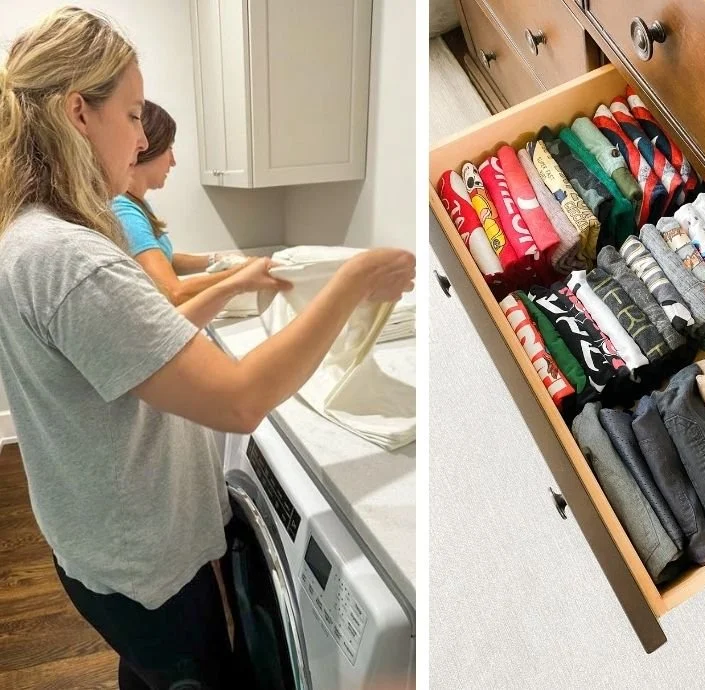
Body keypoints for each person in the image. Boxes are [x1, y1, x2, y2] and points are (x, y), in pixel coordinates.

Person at [0, 7, 414, 690]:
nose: (140, 139)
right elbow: (240, 400)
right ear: (79, 112)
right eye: (133, 115)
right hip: (145, 565)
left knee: (151, 673)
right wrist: (355, 279)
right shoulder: (73, 260)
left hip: (96, 548)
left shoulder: (29, 234)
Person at [113, 99, 244, 304]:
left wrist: (213, 260)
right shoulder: (124, 212)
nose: (173, 161)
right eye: (169, 149)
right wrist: (245, 276)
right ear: (148, 150)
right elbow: (174, 292)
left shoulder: (136, 203)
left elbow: (161, 259)